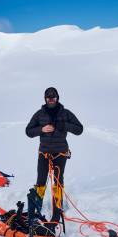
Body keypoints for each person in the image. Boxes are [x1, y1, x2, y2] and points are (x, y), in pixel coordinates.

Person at [26, 87, 83, 229]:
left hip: (60, 153)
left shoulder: (65, 113)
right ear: (45, 99)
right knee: (40, 182)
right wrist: (41, 129)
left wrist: (64, 125)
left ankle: (56, 214)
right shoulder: (40, 114)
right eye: (48, 97)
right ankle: (36, 210)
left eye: (53, 97)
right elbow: (28, 131)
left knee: (58, 182)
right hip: (44, 153)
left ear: (57, 98)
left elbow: (79, 129)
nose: (51, 99)